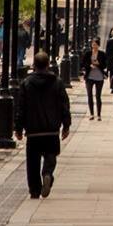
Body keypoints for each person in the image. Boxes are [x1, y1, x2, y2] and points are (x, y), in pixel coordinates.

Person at [15, 51, 71, 198]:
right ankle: (47, 173)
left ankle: (34, 190)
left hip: (33, 130)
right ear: (47, 65)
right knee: (51, 155)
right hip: (51, 129)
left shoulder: (26, 83)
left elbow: (21, 107)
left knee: (32, 161)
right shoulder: (57, 82)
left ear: (34, 65)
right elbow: (64, 105)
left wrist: (18, 128)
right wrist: (66, 125)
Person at [80, 39, 107, 121]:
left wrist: (99, 64)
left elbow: (105, 64)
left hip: (99, 76)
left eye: (95, 44)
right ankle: (91, 114)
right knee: (89, 95)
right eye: (93, 44)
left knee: (98, 96)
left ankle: (99, 114)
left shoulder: (102, 54)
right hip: (89, 76)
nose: (94, 46)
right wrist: (89, 65)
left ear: (98, 45)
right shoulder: (88, 54)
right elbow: (83, 63)